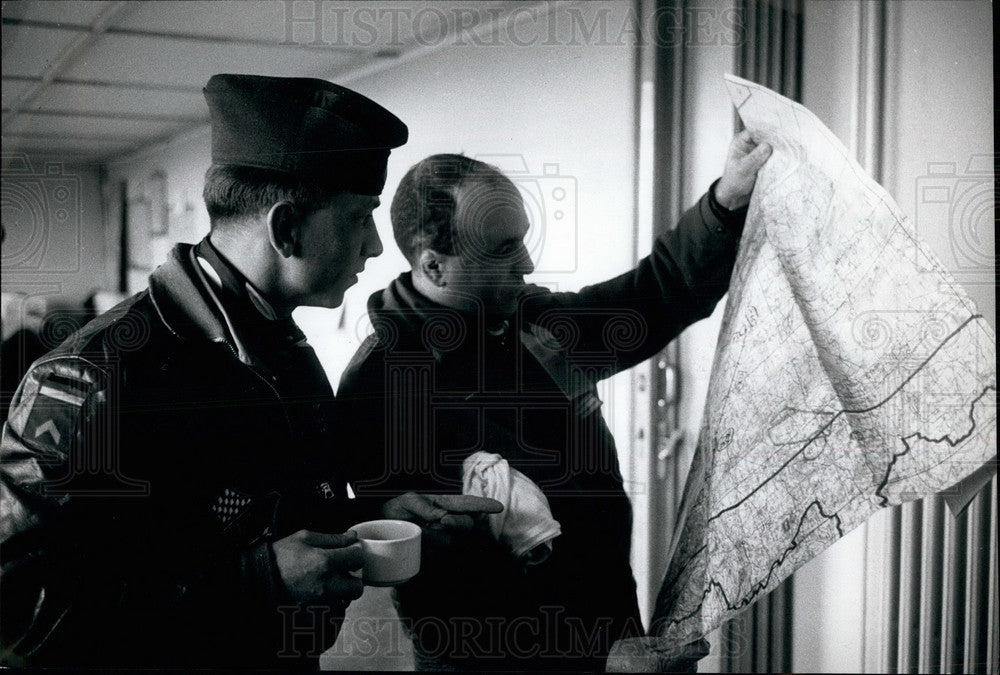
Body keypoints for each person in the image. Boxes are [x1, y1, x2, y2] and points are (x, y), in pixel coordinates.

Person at [0, 74, 500, 669]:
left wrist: (371, 518)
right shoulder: (92, 377)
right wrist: (255, 582)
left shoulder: (280, 345)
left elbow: (271, 512)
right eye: (357, 219)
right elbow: (20, 615)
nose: (373, 246)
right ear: (286, 229)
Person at [337, 133, 771, 670]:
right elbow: (446, 603)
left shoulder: (529, 321)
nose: (526, 262)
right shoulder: (381, 388)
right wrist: (594, 659)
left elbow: (651, 297)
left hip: (614, 630)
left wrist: (724, 204)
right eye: (501, 249)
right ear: (433, 266)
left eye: (522, 239)